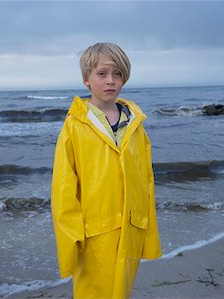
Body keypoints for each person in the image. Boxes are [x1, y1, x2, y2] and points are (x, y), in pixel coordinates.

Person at [51, 42, 162, 298]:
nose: (110, 81)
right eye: (102, 74)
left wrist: (148, 230)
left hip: (130, 227)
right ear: (86, 80)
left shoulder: (134, 123)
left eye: (117, 74)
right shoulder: (75, 126)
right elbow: (64, 186)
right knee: (92, 292)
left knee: (120, 291)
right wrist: (71, 238)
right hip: (93, 233)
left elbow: (146, 181)